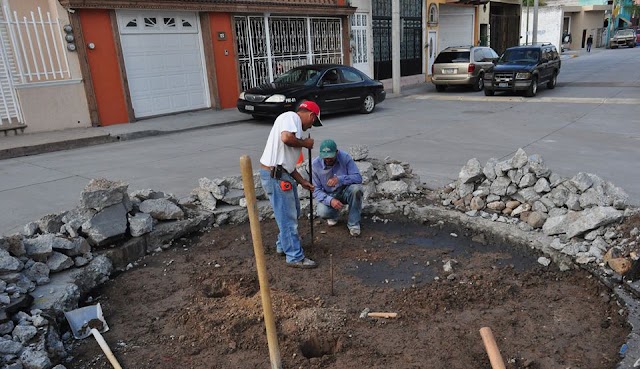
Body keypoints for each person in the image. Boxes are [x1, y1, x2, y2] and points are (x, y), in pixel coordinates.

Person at [259, 101, 322, 269]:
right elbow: (286, 138)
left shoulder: (295, 129)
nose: (310, 127)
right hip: (276, 176)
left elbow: (289, 166)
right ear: (311, 115)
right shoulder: (291, 117)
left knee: (292, 211)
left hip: (282, 174)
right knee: (287, 216)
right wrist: (305, 144)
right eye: (313, 122)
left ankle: (283, 245)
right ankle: (294, 256)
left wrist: (303, 182)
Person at [311, 139, 364, 237]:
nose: (328, 159)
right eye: (325, 157)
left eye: (330, 157)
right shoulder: (315, 165)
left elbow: (358, 178)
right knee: (322, 211)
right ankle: (334, 215)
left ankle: (353, 224)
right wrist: (330, 201)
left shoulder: (345, 157)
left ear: (337, 152)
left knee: (357, 189)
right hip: (329, 194)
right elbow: (316, 190)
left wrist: (340, 179)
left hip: (345, 191)